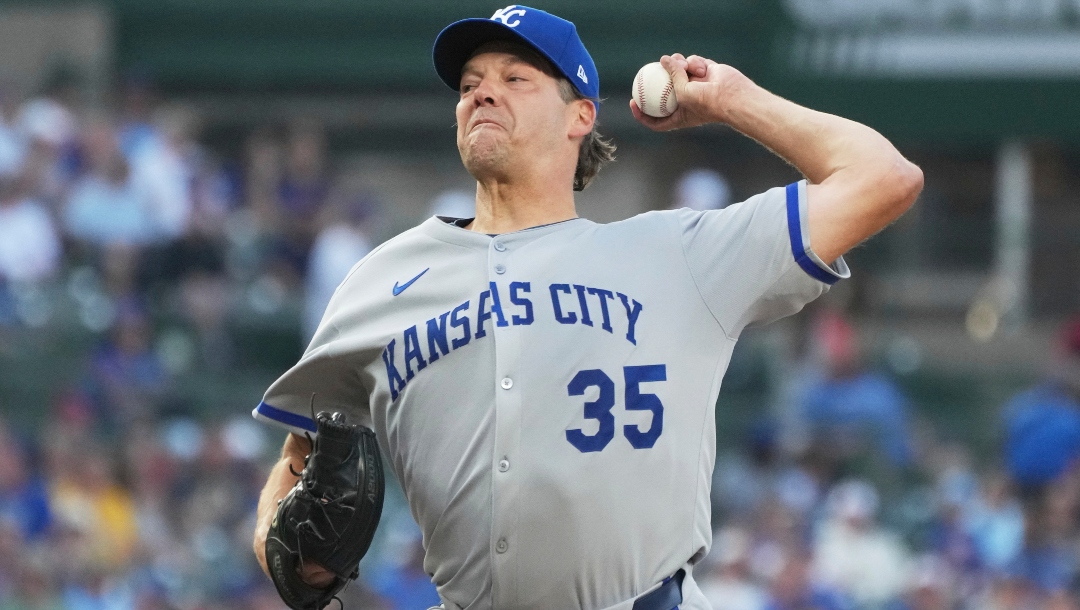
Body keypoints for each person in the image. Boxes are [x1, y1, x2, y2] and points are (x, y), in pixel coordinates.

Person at [250, 5, 922, 609]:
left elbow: (882, 178)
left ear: (580, 115)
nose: (483, 90)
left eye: (516, 79)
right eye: (470, 83)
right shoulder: (380, 280)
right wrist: (288, 556)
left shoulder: (680, 255)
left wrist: (735, 101)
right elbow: (299, 466)